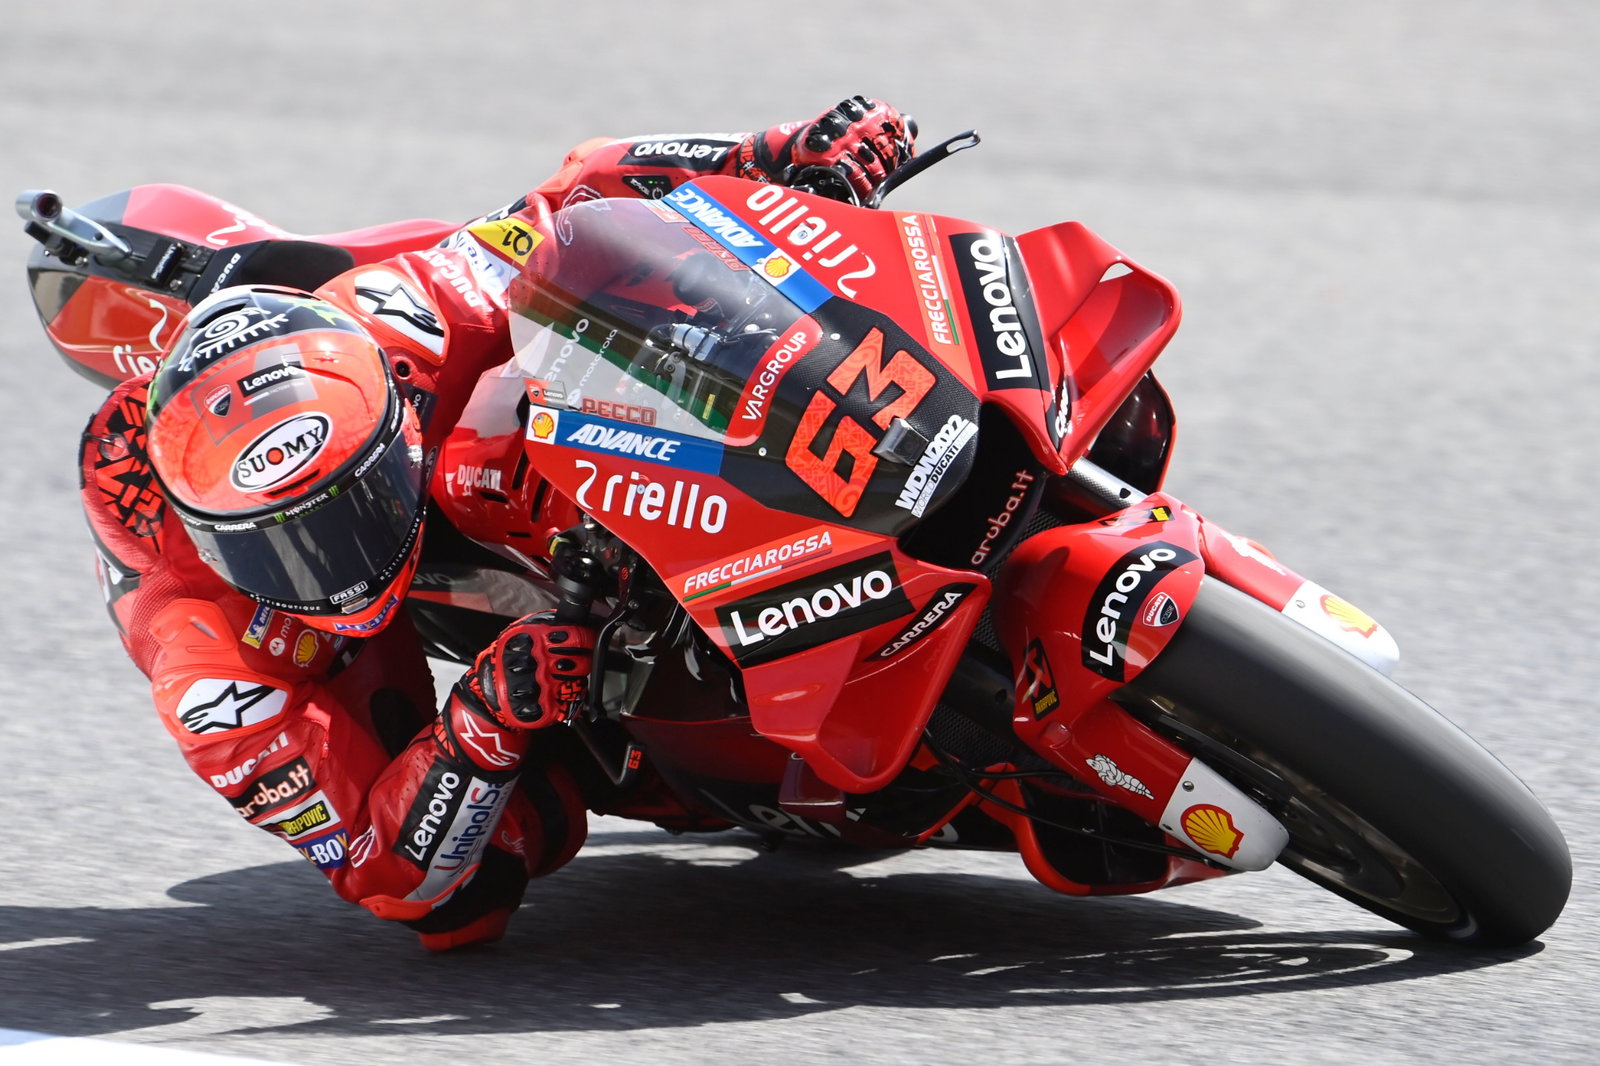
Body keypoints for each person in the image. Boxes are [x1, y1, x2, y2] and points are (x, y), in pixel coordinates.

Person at [79, 98, 916, 950]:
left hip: (445, 455)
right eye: (283, 548)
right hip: (327, 654)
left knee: (576, 342)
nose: (337, 564)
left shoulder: (393, 322)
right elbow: (384, 874)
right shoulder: (209, 671)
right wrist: (484, 721)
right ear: (211, 537)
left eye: (350, 511)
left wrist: (771, 153)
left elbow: (569, 199)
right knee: (467, 900)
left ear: (394, 416)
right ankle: (649, 754)